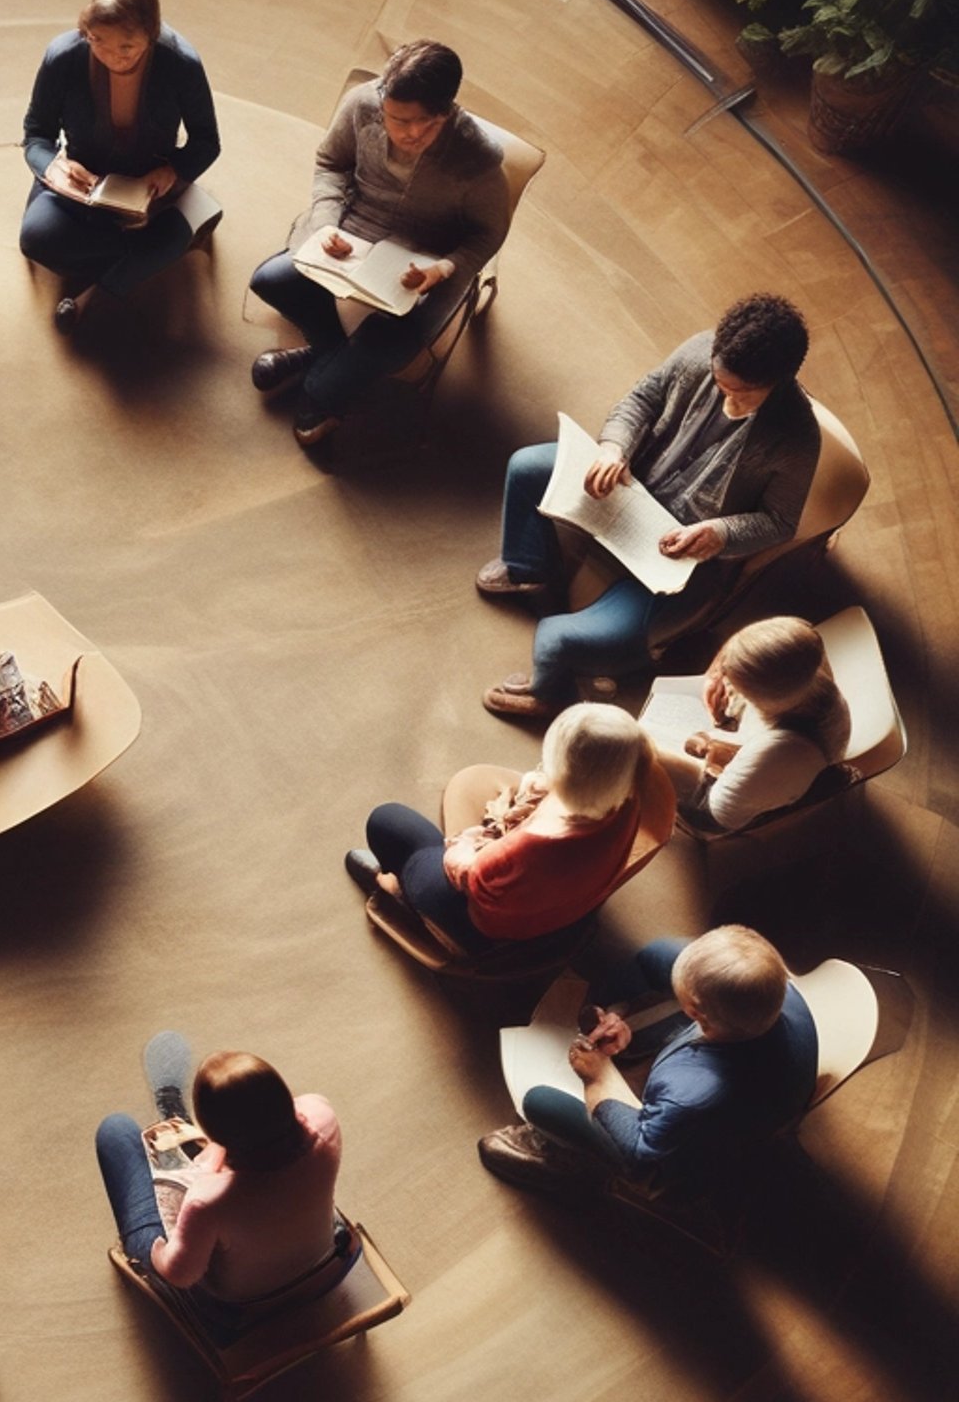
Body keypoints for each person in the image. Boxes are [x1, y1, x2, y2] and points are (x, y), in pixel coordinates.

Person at [477, 293, 821, 718]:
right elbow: (643, 399)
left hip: (684, 551)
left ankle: (550, 695)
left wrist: (720, 533)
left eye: (743, 393)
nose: (727, 401)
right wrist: (613, 449)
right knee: (527, 466)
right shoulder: (701, 349)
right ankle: (529, 572)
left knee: (556, 640)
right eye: (720, 385)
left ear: (781, 380)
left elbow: (780, 521)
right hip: (631, 484)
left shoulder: (799, 439)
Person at [249, 39, 509, 461]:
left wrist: (442, 270)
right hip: (352, 231)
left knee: (373, 356)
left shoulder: (477, 158)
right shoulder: (362, 104)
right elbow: (331, 163)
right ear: (383, 98)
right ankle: (327, 358)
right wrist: (326, 224)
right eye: (397, 119)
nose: (410, 134)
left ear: (447, 109)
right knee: (269, 280)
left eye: (425, 122)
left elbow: (486, 235)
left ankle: (318, 378)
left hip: (422, 261)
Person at [478, 927, 818, 1194]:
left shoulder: (693, 1091)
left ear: (695, 1013)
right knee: (657, 959)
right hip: (771, 1080)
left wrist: (599, 1077)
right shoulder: (774, 989)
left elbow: (641, 1153)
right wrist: (616, 1012)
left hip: (696, 1149)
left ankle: (584, 1169)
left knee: (540, 1101)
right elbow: (652, 961)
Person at [346, 703, 652, 953]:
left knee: (386, 821)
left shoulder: (528, 849)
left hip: (485, 926)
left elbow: (464, 872)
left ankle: (401, 895)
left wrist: (464, 843)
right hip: (570, 913)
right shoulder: (632, 795)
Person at [19, 0, 220, 331]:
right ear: (86, 32)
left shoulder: (181, 64)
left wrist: (172, 171)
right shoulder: (63, 56)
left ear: (152, 34)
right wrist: (53, 168)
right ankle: (150, 252)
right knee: (35, 238)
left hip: (148, 185)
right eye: (98, 42)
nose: (113, 56)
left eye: (127, 47)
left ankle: (98, 289)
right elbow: (36, 134)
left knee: (164, 235)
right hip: (81, 182)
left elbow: (207, 140)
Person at [94, 1034, 348, 1324]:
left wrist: (161, 1245)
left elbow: (179, 1273)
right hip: (323, 1263)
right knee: (225, 1151)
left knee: (116, 1130)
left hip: (243, 1307)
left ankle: (180, 1123)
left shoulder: (208, 1201)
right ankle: (178, 1121)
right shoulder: (323, 1116)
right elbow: (274, 1120)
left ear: (217, 1135)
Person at [655, 616, 851, 832]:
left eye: (734, 684)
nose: (727, 683)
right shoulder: (805, 658)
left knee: (638, 750)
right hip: (763, 760)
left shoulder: (782, 752)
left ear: (758, 698)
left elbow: (717, 816)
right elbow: (798, 623)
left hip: (727, 806)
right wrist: (716, 673)